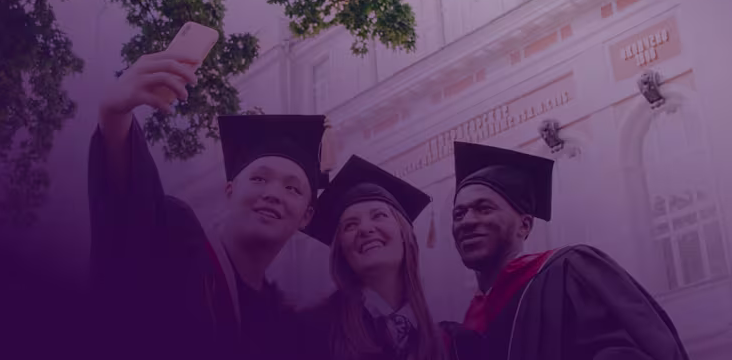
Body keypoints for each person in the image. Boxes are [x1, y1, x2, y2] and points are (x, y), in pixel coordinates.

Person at [88, 50, 326, 360]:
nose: (273, 193)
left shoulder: (282, 325)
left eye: (293, 188)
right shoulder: (176, 239)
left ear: (306, 216)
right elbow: (129, 204)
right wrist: (114, 115)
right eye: (258, 179)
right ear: (230, 190)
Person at [440, 142, 690, 360]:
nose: (468, 221)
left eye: (484, 209)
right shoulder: (469, 328)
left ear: (524, 225)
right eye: (458, 214)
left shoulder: (569, 272)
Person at [298, 155, 451, 360]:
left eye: (379, 215)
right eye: (350, 225)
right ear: (341, 250)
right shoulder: (313, 330)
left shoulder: (447, 341)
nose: (365, 229)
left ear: (404, 234)